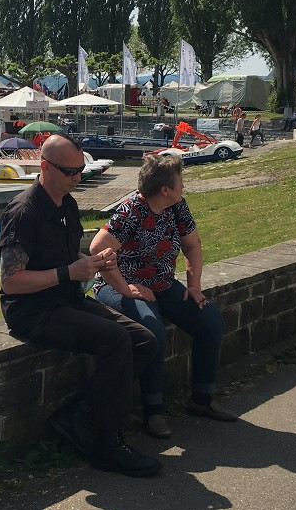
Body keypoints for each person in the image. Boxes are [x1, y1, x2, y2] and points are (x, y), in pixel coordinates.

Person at [0, 134, 161, 477]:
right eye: (69, 171)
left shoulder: (67, 204)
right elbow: (11, 281)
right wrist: (68, 272)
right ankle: (106, 442)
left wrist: (93, 262)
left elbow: (66, 259)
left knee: (144, 340)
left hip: (65, 299)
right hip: (32, 311)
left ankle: (78, 417)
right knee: (115, 340)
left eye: (80, 170)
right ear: (44, 167)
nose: (77, 177)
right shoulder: (24, 212)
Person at [91, 154, 233, 440]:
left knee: (210, 322)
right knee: (152, 330)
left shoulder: (177, 206)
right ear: (164, 189)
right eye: (180, 181)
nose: (184, 186)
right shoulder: (132, 210)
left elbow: (192, 246)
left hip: (161, 283)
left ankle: (201, 398)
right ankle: (153, 410)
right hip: (117, 284)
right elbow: (97, 250)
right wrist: (124, 288)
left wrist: (193, 286)